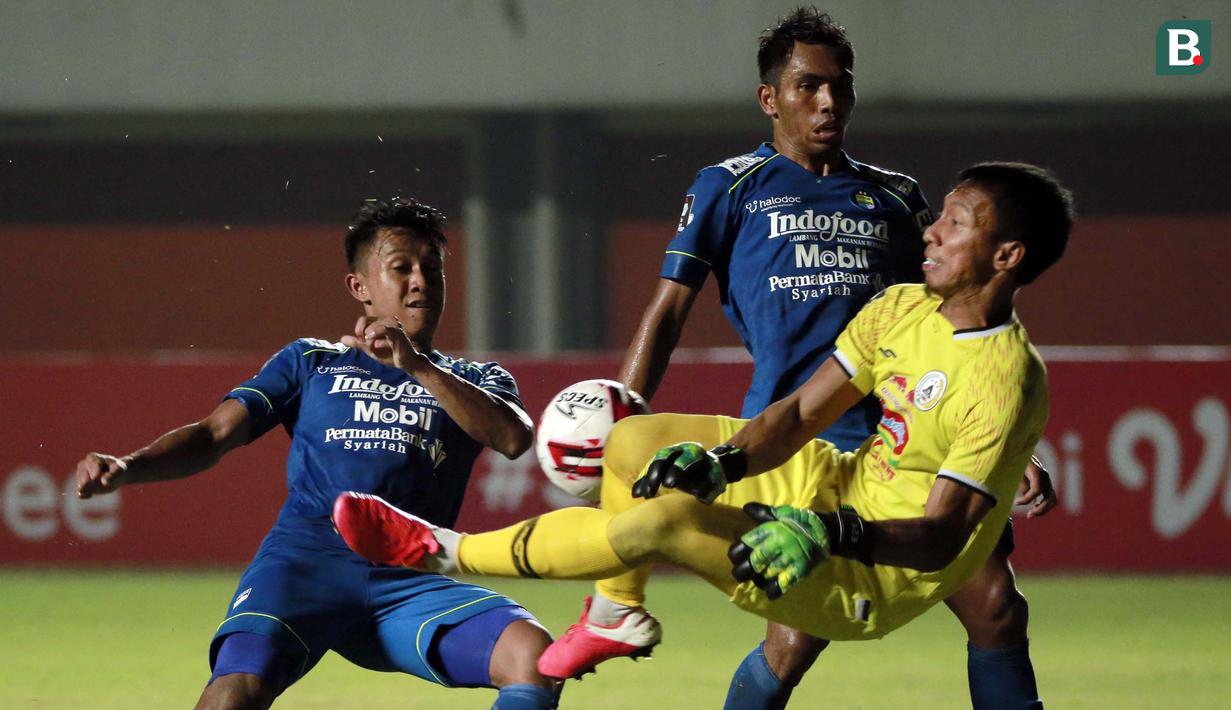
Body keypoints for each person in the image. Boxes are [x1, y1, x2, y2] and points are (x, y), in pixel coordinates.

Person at [334, 161, 1071, 706]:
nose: (932, 230)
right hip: (836, 477)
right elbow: (798, 414)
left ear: (1006, 256)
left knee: (662, 523)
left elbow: (940, 538)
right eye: (940, 216)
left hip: (871, 570)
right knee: (632, 442)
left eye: (955, 223)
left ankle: (441, 551)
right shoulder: (903, 306)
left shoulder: (1003, 379)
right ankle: (615, 611)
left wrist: (825, 534)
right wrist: (721, 464)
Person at [547, 9, 1054, 709]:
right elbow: (667, 311)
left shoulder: (896, 197)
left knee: (995, 606)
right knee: (790, 644)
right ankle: (607, 623)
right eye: (808, 85)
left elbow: (962, 315)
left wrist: (1009, 445)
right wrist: (621, 419)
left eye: (840, 86)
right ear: (770, 98)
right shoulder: (729, 186)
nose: (828, 101)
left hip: (904, 438)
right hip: (791, 438)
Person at [74, 198, 560, 710]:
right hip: (305, 565)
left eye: (431, 269)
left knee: (533, 656)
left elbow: (512, 439)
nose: (421, 281)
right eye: (402, 268)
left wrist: (418, 366)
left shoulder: (473, 378)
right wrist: (129, 466)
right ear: (360, 287)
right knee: (235, 693)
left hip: (409, 580)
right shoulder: (310, 361)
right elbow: (214, 434)